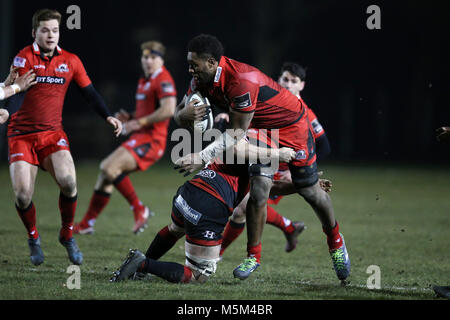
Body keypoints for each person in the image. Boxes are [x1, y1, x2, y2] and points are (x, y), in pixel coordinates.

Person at [174, 34, 350, 281]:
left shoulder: (241, 81)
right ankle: (253, 256)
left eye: (194, 64)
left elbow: (235, 133)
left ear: (212, 63)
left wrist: (202, 157)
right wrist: (186, 114)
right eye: (189, 63)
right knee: (259, 189)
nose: (189, 68)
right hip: (262, 131)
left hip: (292, 127)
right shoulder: (199, 80)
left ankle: (335, 241)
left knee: (310, 192)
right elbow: (178, 115)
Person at [2, 9, 122, 266]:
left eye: (55, 30)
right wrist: (7, 112)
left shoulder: (71, 60)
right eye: (45, 30)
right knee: (23, 196)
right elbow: (19, 93)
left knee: (69, 182)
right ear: (35, 33)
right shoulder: (24, 58)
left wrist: (108, 116)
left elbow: (89, 93)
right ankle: (33, 237)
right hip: (21, 135)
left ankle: (67, 235)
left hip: (53, 134)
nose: (50, 35)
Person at [110, 136, 296, 283]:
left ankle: (139, 268)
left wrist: (303, 185)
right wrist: (279, 154)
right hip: (210, 204)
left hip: (189, 191)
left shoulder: (241, 133)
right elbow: (267, 184)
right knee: (199, 275)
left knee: (175, 229)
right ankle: (142, 264)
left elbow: (269, 185)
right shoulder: (260, 146)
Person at [219, 62, 333, 257]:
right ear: (278, 80)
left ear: (301, 85)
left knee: (243, 208)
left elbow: (324, 146)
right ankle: (289, 229)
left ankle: (217, 253)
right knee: (241, 209)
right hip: (258, 163)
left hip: (278, 169)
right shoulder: (267, 100)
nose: (288, 84)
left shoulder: (304, 111)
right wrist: (229, 117)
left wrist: (298, 170)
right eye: (285, 79)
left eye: (293, 81)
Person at [74, 41, 177, 235]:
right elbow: (147, 110)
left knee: (108, 167)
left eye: (153, 57)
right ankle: (87, 223)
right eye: (145, 57)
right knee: (106, 176)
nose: (148, 61)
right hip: (141, 136)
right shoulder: (144, 79)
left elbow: (168, 109)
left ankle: (140, 209)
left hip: (152, 140)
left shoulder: (163, 79)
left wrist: (139, 123)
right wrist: (131, 117)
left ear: (161, 60)